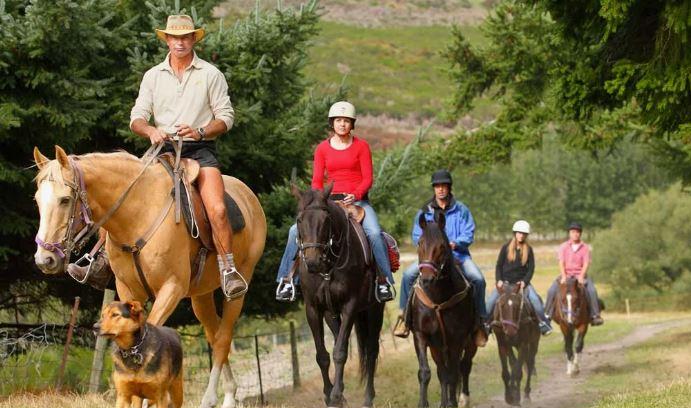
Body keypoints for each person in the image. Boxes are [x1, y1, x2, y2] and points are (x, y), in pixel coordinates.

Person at [68, 15, 246, 299]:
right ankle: (97, 259)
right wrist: (150, 130)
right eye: (175, 37)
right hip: (161, 150)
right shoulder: (152, 75)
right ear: (167, 40)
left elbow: (226, 117)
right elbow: (137, 117)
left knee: (218, 209)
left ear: (193, 39)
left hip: (200, 150)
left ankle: (228, 269)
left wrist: (200, 131)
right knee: (120, 196)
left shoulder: (211, 74)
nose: (180, 42)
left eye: (185, 37)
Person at [275, 101, 395, 302]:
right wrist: (319, 198)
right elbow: (316, 180)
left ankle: (383, 281)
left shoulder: (362, 146)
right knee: (294, 231)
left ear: (352, 124)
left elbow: (368, 178)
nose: (342, 124)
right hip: (329, 202)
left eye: (346, 120)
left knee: (374, 233)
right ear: (332, 123)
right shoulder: (322, 148)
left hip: (357, 202)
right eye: (338, 120)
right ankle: (287, 280)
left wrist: (355, 194)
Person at [393, 170, 487, 346]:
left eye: (444, 186)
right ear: (434, 188)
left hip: (458, 256)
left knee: (478, 279)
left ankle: (480, 322)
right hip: (431, 259)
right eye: (437, 186)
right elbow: (416, 235)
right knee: (407, 276)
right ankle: (404, 318)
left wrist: (455, 243)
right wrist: (430, 245)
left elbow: (469, 232)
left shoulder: (462, 210)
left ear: (449, 188)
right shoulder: (424, 211)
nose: (440, 189)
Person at [485, 220, 552, 335]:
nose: (521, 235)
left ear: (526, 235)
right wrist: (499, 280)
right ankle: (485, 324)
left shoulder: (528, 249)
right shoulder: (506, 247)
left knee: (535, 300)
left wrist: (525, 282)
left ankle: (543, 323)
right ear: (515, 233)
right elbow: (499, 265)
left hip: (521, 284)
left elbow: (531, 268)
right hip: (505, 283)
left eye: (524, 234)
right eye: (519, 233)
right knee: (490, 302)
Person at [545, 222, 604, 326]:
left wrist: (581, 275)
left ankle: (595, 315)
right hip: (566, 275)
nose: (575, 234)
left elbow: (586, 263)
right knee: (551, 290)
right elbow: (561, 262)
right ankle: (547, 315)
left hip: (580, 275)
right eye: (573, 232)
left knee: (592, 290)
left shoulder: (585, 247)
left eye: (577, 232)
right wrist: (563, 276)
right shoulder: (563, 247)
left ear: (580, 234)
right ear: (569, 233)